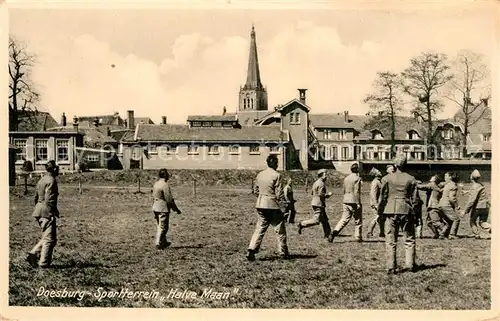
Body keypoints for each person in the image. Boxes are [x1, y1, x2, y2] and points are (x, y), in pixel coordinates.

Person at [378, 154, 419, 274]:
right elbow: (415, 200)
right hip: (406, 209)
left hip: (390, 210)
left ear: (395, 165)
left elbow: (383, 197)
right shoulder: (411, 179)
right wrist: (416, 214)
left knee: (390, 240)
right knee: (409, 239)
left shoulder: (386, 178)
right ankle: (410, 265)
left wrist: (380, 211)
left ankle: (391, 266)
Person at [247, 155, 289, 261]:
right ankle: (282, 252)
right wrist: (285, 205)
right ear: (275, 163)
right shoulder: (277, 175)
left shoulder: (260, 174)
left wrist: (262, 197)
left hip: (260, 204)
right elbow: (279, 194)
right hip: (273, 206)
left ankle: (251, 249)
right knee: (280, 230)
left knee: (260, 228)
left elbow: (255, 190)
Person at [26, 160, 60, 268]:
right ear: (54, 169)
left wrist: (39, 209)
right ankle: (43, 263)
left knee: (48, 237)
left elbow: (36, 197)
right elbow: (49, 199)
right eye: (57, 168)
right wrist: (51, 212)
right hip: (46, 211)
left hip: (38, 210)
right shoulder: (52, 181)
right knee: (49, 240)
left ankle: (33, 253)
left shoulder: (41, 180)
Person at [328, 162, 363, 243]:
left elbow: (344, 190)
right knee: (358, 220)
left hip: (346, 200)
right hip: (354, 201)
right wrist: (358, 203)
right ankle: (358, 237)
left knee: (344, 219)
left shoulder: (346, 178)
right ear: (357, 170)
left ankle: (334, 232)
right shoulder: (357, 178)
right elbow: (357, 191)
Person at [297, 169, 332, 238]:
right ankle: (302, 224)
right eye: (325, 175)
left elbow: (312, 193)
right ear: (321, 175)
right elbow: (321, 195)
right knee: (316, 220)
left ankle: (328, 233)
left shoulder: (316, 183)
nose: (326, 176)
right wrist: (328, 195)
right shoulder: (321, 183)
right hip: (319, 204)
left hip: (315, 203)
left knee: (325, 220)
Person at [152, 168, 182, 249]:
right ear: (165, 175)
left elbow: (153, 196)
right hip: (163, 208)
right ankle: (158, 243)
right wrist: (176, 209)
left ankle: (164, 242)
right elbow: (169, 200)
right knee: (163, 227)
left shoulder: (156, 184)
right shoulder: (165, 185)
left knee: (160, 225)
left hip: (155, 207)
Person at [462, 169, 491, 238]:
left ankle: (477, 234)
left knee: (472, 221)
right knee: (482, 222)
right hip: (486, 206)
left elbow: (471, 200)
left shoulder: (474, 186)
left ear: (471, 177)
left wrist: (465, 211)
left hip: (478, 206)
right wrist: (467, 191)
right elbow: (478, 191)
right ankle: (492, 228)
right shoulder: (480, 184)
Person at [439, 172, 460, 239]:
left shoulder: (447, 185)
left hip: (441, 204)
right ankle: (452, 235)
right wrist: (456, 206)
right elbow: (452, 198)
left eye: (446, 176)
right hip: (446, 205)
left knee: (449, 221)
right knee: (456, 219)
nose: (445, 177)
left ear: (450, 177)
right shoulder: (453, 186)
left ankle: (442, 234)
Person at [366, 167, 384, 239]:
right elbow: (373, 194)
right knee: (376, 217)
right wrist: (375, 204)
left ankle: (382, 233)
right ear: (376, 174)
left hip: (379, 203)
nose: (380, 172)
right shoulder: (375, 182)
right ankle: (369, 232)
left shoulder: (378, 181)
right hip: (376, 204)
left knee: (381, 218)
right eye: (378, 171)